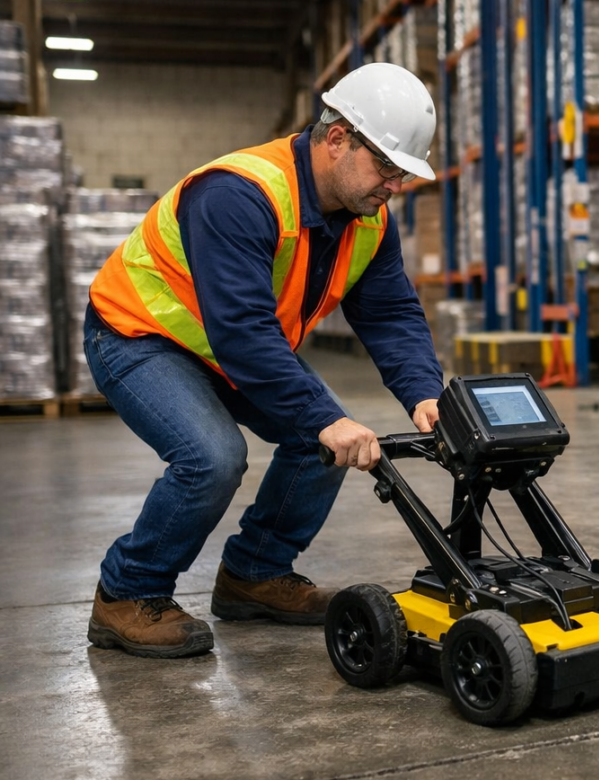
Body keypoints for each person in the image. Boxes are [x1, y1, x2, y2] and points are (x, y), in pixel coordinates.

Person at [83, 62, 445, 659]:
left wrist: (425, 394)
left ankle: (253, 575)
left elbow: (390, 315)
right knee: (213, 456)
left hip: (228, 346)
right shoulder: (238, 194)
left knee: (322, 437)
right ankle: (127, 593)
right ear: (336, 139)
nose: (394, 186)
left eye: (403, 173)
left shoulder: (369, 220)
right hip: (137, 333)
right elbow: (242, 330)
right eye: (387, 167)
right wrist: (322, 415)